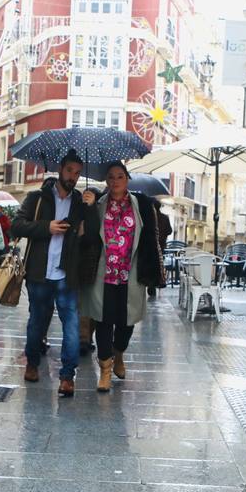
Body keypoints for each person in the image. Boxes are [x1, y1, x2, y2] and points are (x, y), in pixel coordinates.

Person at [80, 162, 163, 392]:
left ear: (127, 179)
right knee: (104, 321)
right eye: (111, 177)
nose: (115, 181)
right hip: (103, 274)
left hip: (131, 273)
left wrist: (152, 270)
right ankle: (105, 370)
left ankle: (119, 353)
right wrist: (87, 208)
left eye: (120, 176)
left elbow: (151, 238)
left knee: (126, 323)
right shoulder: (97, 204)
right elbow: (87, 236)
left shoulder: (142, 205)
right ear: (106, 182)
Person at [11, 151, 87, 397]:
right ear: (60, 169)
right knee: (37, 323)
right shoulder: (37, 198)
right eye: (69, 171)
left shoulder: (80, 202)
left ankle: (67, 376)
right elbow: (17, 225)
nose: (73, 177)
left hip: (67, 274)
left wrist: (91, 210)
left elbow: (92, 234)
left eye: (77, 173)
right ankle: (32, 362)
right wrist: (48, 227)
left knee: (72, 326)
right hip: (39, 273)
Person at [77, 186, 102, 356]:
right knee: (85, 304)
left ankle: (85, 338)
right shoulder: (81, 212)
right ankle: (84, 338)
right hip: (86, 264)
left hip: (91, 264)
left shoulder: (96, 213)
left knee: (87, 304)